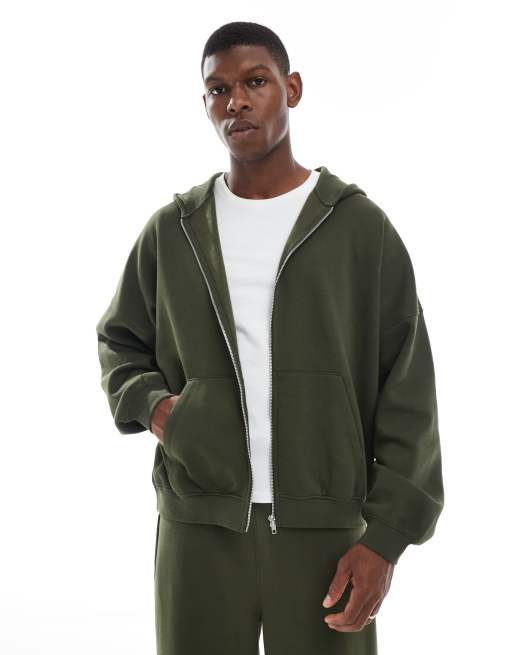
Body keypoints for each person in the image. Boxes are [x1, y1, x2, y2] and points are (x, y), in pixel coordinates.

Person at [96, 20, 444, 655]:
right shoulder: (175, 230)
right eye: (218, 89)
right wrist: (161, 410)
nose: (237, 101)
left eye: (255, 82)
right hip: (199, 523)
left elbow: (408, 388)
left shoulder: (360, 228)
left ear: (293, 88)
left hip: (327, 529)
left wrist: (386, 539)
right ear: (205, 104)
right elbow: (120, 341)